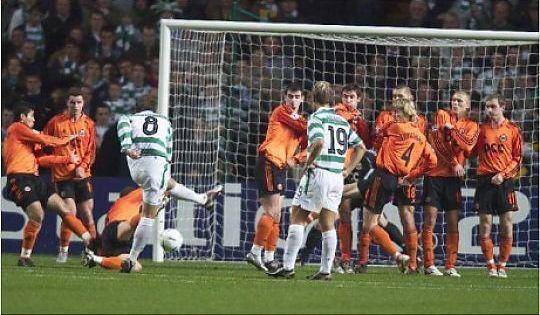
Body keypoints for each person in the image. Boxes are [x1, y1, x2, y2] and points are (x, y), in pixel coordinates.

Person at [268, 81, 366, 280]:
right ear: (332, 99)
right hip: (337, 177)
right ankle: (325, 271)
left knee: (298, 215)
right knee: (328, 222)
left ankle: (288, 267)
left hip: (319, 172)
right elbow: (361, 147)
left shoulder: (315, 118)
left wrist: (308, 163)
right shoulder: (341, 121)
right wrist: (347, 170)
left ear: (312, 99)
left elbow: (319, 142)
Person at [117, 99, 222, 273]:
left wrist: (127, 147)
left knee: (168, 183)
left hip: (136, 166)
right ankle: (132, 258)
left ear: (137, 109)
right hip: (156, 164)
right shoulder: (165, 122)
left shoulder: (129, 118)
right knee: (148, 215)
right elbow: (168, 155)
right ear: (156, 109)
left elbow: (122, 124)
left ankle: (203, 199)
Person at [3, 105, 92, 267]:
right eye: (32, 116)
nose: (34, 119)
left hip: (35, 178)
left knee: (64, 208)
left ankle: (89, 241)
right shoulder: (16, 128)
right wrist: (67, 139)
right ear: (22, 117)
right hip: (19, 178)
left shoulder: (28, 139)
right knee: (37, 214)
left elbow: (41, 160)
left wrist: (67, 160)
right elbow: (45, 139)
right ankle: (25, 256)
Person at [361, 98, 437, 273]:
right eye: (394, 113)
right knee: (396, 219)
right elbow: (433, 161)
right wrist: (412, 176)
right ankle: (411, 262)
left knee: (369, 225)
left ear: (407, 114)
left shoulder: (394, 127)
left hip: (383, 176)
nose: (395, 116)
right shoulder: (421, 136)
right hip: (400, 180)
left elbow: (380, 132)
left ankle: (399, 256)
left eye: (398, 113)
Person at [82, 180, 222, 272]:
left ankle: (95, 259)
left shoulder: (118, 205)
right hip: (119, 229)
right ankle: (202, 198)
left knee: (134, 266)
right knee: (138, 220)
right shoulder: (134, 195)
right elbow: (165, 184)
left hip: (113, 239)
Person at [245, 82, 308, 272]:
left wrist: (296, 159)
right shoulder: (281, 111)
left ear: (302, 98)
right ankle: (255, 252)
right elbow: (305, 129)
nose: (293, 100)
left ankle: (270, 257)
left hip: (280, 167)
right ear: (285, 97)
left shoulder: (302, 121)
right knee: (272, 212)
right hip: (269, 162)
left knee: (276, 215)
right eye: (291, 96)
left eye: (297, 97)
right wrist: (316, 124)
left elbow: (308, 145)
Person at [422, 91, 479, 277]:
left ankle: (450, 266)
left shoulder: (472, 125)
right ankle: (429, 265)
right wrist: (455, 162)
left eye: (459, 101)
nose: (455, 103)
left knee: (453, 222)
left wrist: (452, 131)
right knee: (430, 220)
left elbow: (469, 147)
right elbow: (437, 143)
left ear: (467, 106)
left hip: (454, 180)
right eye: (453, 100)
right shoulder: (442, 114)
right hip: (434, 175)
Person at [43, 87, 97, 263]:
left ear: (84, 104)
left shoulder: (89, 124)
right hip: (63, 176)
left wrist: (82, 166)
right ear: (67, 103)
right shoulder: (56, 122)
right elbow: (43, 141)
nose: (75, 106)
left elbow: (91, 151)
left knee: (87, 214)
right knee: (70, 211)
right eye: (72, 102)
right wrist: (55, 160)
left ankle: (93, 251)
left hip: (83, 175)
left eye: (79, 102)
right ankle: (63, 250)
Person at [472, 94, 522, 278]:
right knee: (485, 223)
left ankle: (502, 265)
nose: (489, 110)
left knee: (506, 223)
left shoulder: (512, 130)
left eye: (492, 107)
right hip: (485, 181)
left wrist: (503, 174)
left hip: (504, 181)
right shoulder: (482, 130)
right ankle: (490, 265)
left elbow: (518, 159)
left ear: (503, 106)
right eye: (487, 107)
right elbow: (472, 151)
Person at [333, 83, 371, 273]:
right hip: (341, 168)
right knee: (344, 212)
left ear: (358, 99)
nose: (348, 100)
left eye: (352, 97)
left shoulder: (361, 121)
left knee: (371, 217)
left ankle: (363, 260)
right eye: (345, 96)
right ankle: (345, 258)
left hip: (360, 169)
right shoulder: (336, 114)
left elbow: (365, 144)